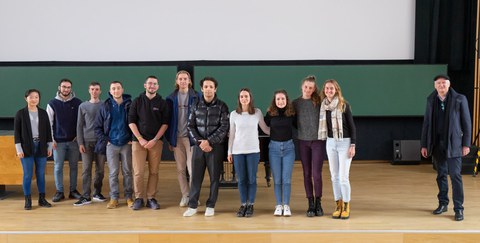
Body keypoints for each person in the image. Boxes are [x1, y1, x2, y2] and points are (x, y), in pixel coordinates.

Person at [421, 74, 471, 221]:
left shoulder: (460, 99)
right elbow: (426, 124)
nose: (441, 85)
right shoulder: (431, 100)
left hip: (454, 144)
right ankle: (443, 203)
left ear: (449, 84)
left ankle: (459, 209)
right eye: (438, 83)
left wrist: (466, 144)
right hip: (437, 144)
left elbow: (467, 123)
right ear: (435, 86)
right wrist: (424, 144)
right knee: (441, 175)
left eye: (444, 83)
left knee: (455, 176)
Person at [183, 77, 229, 217]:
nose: (208, 89)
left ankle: (211, 205)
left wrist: (209, 141)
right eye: (206, 86)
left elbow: (224, 127)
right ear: (202, 89)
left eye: (211, 87)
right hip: (198, 147)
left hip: (215, 147)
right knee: (196, 177)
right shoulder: (195, 105)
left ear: (215, 89)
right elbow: (190, 126)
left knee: (215, 178)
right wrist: (200, 142)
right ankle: (192, 205)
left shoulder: (222, 106)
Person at [128, 76, 169, 210]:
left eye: (155, 84)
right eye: (150, 83)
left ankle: (151, 198)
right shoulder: (137, 101)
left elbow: (165, 124)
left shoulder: (162, 103)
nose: (152, 86)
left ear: (158, 87)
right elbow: (131, 122)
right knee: (138, 172)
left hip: (155, 142)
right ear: (145, 85)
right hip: (138, 142)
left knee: (154, 172)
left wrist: (155, 140)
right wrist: (140, 139)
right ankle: (139, 198)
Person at [227, 88, 270, 217]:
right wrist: (229, 152)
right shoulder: (234, 114)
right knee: (241, 180)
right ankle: (243, 204)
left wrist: (280, 130)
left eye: (246, 96)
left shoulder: (257, 113)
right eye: (241, 96)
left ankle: (250, 204)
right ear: (239, 99)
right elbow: (232, 135)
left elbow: (266, 129)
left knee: (251, 179)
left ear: (250, 98)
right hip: (238, 151)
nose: (244, 99)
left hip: (253, 151)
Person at [319, 79, 356, 220]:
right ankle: (338, 205)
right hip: (330, 142)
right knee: (334, 176)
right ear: (324, 90)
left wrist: (353, 144)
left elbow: (352, 127)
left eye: (332, 88)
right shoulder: (323, 106)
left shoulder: (344, 105)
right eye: (327, 88)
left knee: (343, 177)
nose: (329, 91)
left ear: (336, 90)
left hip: (344, 142)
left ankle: (346, 205)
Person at [94, 81, 134, 209]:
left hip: (126, 144)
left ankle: (129, 197)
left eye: (118, 88)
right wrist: (107, 140)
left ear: (122, 90)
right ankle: (114, 198)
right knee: (113, 173)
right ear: (110, 91)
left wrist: (132, 138)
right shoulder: (105, 106)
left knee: (127, 172)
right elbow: (97, 127)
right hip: (111, 145)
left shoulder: (130, 104)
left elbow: (136, 122)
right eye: (113, 89)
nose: (116, 90)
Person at [166, 70, 201, 207]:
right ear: (177, 81)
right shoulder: (170, 98)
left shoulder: (197, 96)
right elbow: (167, 121)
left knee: (192, 169)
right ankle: (185, 195)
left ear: (189, 81)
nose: (183, 81)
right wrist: (170, 139)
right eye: (180, 79)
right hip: (177, 138)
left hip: (191, 138)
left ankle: (193, 196)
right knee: (180, 169)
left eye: (185, 79)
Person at [293, 75, 326, 217]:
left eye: (310, 88)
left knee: (316, 174)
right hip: (303, 141)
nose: (307, 89)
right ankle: (310, 203)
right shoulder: (296, 103)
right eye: (305, 87)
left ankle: (318, 202)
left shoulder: (319, 102)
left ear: (314, 89)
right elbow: (294, 122)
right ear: (302, 87)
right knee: (306, 173)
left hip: (318, 141)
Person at [14, 89, 53, 210]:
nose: (34, 99)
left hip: (41, 146)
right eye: (31, 97)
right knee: (28, 175)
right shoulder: (20, 113)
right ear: (26, 98)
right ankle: (28, 200)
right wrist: (19, 149)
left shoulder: (43, 113)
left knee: (41, 174)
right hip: (26, 148)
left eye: (36, 97)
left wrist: (49, 146)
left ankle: (42, 199)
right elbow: (17, 134)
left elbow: (48, 131)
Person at [46, 78, 82, 202]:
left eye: (68, 87)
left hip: (74, 141)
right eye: (63, 87)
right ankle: (59, 191)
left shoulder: (78, 103)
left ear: (71, 88)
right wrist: (51, 140)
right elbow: (48, 123)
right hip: (58, 142)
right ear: (59, 88)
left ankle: (73, 191)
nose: (66, 89)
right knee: (58, 167)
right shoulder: (52, 103)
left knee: (74, 167)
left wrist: (79, 136)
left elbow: (82, 122)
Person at [74, 82, 107, 206]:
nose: (94, 91)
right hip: (86, 142)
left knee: (100, 170)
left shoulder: (104, 105)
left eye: (97, 89)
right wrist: (80, 142)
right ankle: (86, 196)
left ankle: (97, 192)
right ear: (89, 90)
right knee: (86, 169)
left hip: (100, 142)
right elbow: (79, 125)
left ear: (100, 91)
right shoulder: (83, 106)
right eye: (92, 89)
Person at [265, 90, 296, 217]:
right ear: (274, 101)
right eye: (278, 99)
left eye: (283, 99)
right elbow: (264, 126)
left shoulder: (292, 114)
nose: (280, 101)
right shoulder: (270, 114)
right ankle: (278, 205)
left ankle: (286, 205)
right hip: (274, 149)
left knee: (286, 179)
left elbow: (299, 126)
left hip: (289, 148)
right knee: (277, 179)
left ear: (286, 100)